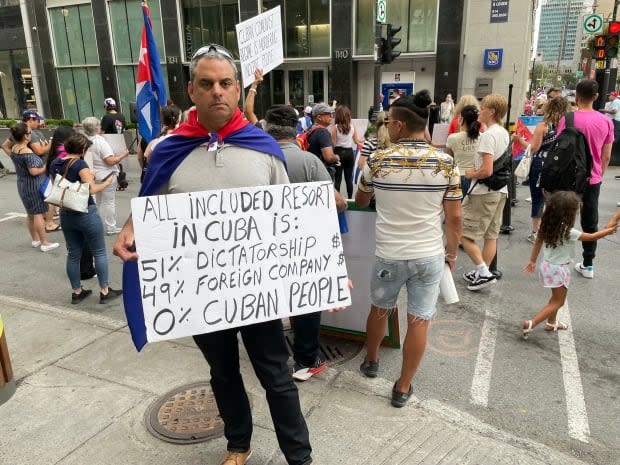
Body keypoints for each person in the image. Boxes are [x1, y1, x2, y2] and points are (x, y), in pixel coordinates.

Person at [113, 44, 314, 465]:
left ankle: (299, 457)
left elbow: (292, 223)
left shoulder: (264, 148)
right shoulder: (167, 151)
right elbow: (149, 206)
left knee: (277, 376)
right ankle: (238, 443)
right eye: (206, 84)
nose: (217, 92)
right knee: (223, 373)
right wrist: (130, 230)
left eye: (225, 83)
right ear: (191, 90)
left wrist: (318, 274)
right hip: (199, 292)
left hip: (257, 291)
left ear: (238, 89)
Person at [355, 92, 462, 408]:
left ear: (400, 125)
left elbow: (361, 200)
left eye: (388, 122)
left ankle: (371, 361)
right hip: (428, 255)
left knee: (379, 308)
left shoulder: (378, 160)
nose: (387, 127)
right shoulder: (446, 164)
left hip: (389, 254)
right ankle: (402, 387)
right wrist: (452, 254)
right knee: (420, 319)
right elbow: (455, 217)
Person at [263, 104, 347, 381]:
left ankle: (270, 358)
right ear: (295, 129)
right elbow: (336, 202)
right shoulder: (309, 162)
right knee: (306, 299)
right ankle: (306, 360)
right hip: (303, 245)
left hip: (264, 245)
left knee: (269, 298)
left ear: (266, 129)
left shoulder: (255, 160)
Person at [522, 191, 619, 339]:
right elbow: (591, 237)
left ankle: (551, 322)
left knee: (554, 298)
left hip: (547, 266)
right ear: (569, 214)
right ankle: (532, 323)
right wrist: (608, 231)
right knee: (559, 301)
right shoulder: (568, 231)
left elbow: (538, 243)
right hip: (559, 269)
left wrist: (532, 261)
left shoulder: (546, 225)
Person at [49, 133, 122, 305]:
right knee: (99, 252)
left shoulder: (55, 163)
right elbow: (92, 189)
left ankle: (77, 291)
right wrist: (107, 181)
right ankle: (105, 290)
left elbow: (65, 183)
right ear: (82, 149)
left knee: (73, 253)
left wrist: (89, 176)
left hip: (66, 212)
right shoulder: (80, 164)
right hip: (85, 212)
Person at [555, 79, 614, 279]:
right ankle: (588, 263)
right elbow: (606, 155)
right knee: (590, 220)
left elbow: (560, 148)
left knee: (564, 217)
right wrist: (599, 173)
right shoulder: (606, 121)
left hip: (569, 177)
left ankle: (560, 259)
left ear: (576, 96)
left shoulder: (567, 119)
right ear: (596, 97)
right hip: (593, 178)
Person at [461, 93, 510, 291]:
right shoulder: (503, 132)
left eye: (482, 108)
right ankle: (483, 270)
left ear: (492, 111)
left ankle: (483, 272)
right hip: (500, 190)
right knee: (491, 235)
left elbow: (486, 170)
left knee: (464, 234)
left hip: (484, 192)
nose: (479, 111)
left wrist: (470, 173)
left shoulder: (488, 136)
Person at [513, 97, 569, 243]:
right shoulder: (567, 126)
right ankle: (554, 230)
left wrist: (519, 140)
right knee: (556, 198)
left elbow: (534, 148)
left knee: (538, 198)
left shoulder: (543, 126)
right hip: (560, 165)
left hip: (541, 164)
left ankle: (536, 232)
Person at [5, 123, 59, 252]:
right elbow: (34, 171)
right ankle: (44, 243)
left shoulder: (14, 148)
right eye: (29, 133)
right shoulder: (27, 152)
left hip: (22, 183)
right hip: (34, 185)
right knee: (38, 214)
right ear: (25, 136)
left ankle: (35, 240)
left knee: (30, 213)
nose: (30, 134)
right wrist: (46, 165)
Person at [82, 117, 129, 235]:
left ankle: (89, 224)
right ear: (97, 127)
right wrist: (123, 155)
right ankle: (111, 227)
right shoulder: (100, 141)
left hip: (92, 174)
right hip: (106, 174)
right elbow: (110, 160)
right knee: (109, 202)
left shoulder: (83, 140)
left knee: (95, 202)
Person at [445, 105, 481, 196]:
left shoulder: (453, 138)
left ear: (461, 119)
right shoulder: (483, 136)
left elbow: (448, 160)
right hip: (477, 178)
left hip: (458, 177)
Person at [331, 105, 363, 199]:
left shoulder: (335, 127)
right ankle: (349, 198)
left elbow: (334, 143)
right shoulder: (352, 127)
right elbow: (357, 141)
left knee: (338, 179)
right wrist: (364, 140)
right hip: (349, 153)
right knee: (348, 179)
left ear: (338, 116)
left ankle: (337, 199)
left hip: (338, 152)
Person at [307, 102, 340, 181]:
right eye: (328, 114)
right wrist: (337, 157)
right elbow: (329, 157)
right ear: (319, 117)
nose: (331, 116)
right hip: (323, 172)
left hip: (313, 170)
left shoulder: (311, 128)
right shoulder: (322, 132)